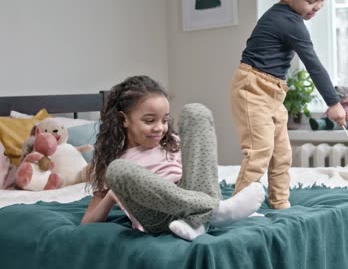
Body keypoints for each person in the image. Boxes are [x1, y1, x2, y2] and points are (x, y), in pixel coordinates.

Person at [81, 75, 265, 241]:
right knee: (117, 169)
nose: (160, 128)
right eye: (149, 120)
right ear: (124, 119)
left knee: (196, 112)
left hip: (190, 195)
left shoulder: (172, 143)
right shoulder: (113, 161)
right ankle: (216, 210)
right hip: (159, 216)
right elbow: (86, 224)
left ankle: (198, 221)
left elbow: (201, 173)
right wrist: (113, 194)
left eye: (164, 120)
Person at [230, 0, 346, 209]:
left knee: (282, 153)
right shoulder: (288, 22)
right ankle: (239, 207)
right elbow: (313, 65)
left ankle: (280, 202)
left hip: (274, 91)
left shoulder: (290, 18)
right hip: (253, 88)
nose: (317, 6)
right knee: (259, 150)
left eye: (322, 0)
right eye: (310, 0)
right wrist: (333, 102)